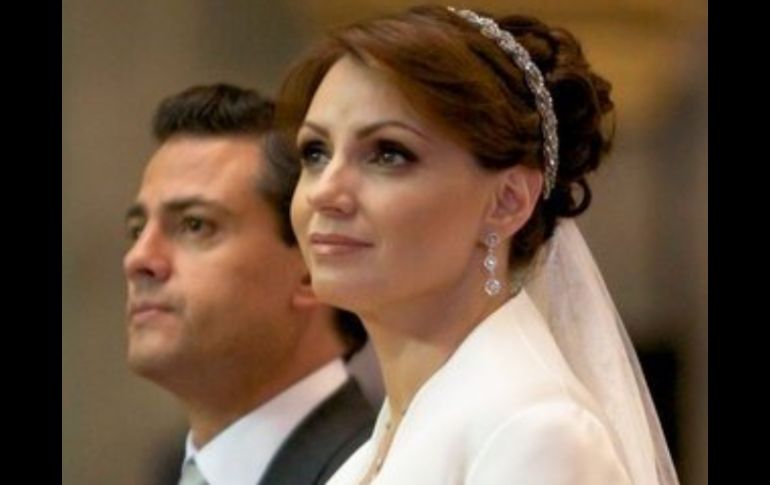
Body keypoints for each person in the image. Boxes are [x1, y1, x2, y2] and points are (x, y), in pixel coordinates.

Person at [275, 5, 679, 484]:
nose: (324, 192)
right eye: (316, 153)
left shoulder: (537, 432)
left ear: (508, 202)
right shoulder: (393, 431)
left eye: (388, 153)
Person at [123, 83, 376, 485]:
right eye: (137, 230)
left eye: (195, 224)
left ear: (312, 268)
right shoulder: (171, 471)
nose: (138, 259)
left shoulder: (382, 471)